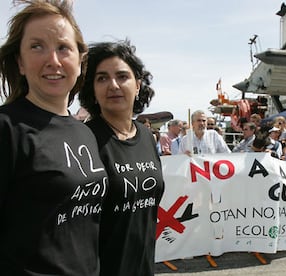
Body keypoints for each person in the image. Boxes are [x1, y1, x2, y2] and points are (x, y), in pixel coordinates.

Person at [0, 1, 108, 275]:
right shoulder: (7, 128)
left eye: (63, 47)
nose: (53, 60)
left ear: (80, 61)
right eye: (37, 46)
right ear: (20, 63)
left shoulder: (84, 131)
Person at [78, 40, 164, 275]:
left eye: (122, 76)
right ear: (92, 90)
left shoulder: (147, 137)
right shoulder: (84, 140)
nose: (113, 85)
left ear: (137, 85)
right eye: (102, 78)